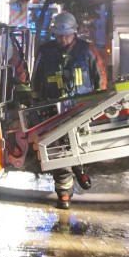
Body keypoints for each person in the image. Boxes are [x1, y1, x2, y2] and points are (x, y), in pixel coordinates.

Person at [31, 11, 108, 208]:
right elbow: (37, 79)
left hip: (81, 109)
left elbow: (100, 77)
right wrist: (36, 104)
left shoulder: (87, 50)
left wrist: (100, 104)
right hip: (53, 110)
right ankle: (64, 194)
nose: (62, 39)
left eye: (66, 35)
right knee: (59, 150)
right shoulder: (46, 51)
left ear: (75, 33)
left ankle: (80, 169)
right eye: (59, 35)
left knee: (80, 145)